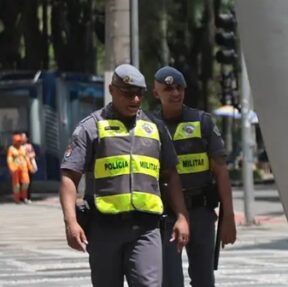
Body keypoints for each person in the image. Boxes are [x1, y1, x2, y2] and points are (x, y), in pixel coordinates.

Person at [59, 64, 191, 287]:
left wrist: (182, 216)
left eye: (140, 93)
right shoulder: (91, 127)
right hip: (104, 229)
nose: (136, 99)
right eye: (128, 93)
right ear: (112, 90)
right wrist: (71, 222)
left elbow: (170, 175)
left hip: (146, 229)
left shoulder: (155, 128)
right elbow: (69, 177)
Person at [151, 66, 237, 287]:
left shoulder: (202, 121)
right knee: (170, 281)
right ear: (156, 93)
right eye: (168, 89)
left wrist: (228, 217)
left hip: (201, 212)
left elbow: (221, 172)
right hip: (166, 214)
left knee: (204, 280)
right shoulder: (149, 125)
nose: (175, 93)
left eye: (179, 88)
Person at [6, 133, 31, 204]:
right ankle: (17, 199)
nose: (19, 142)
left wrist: (30, 166)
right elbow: (9, 159)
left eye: (20, 141)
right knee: (16, 185)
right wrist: (11, 168)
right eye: (17, 141)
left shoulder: (23, 148)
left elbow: (26, 158)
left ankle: (24, 197)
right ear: (14, 141)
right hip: (15, 169)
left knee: (26, 182)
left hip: (24, 168)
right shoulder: (11, 149)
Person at [21, 132, 37, 201]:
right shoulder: (18, 146)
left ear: (27, 138)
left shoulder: (29, 146)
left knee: (28, 183)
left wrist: (28, 156)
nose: (22, 138)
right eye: (21, 137)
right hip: (21, 167)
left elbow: (33, 154)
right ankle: (22, 197)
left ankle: (28, 196)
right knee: (21, 183)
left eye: (23, 137)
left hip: (28, 166)